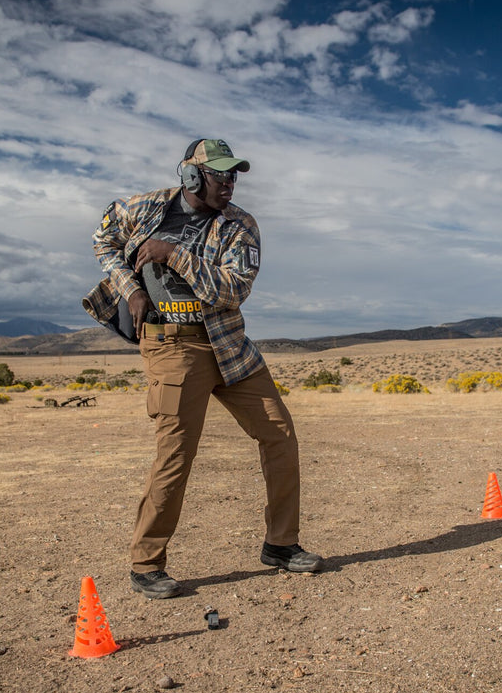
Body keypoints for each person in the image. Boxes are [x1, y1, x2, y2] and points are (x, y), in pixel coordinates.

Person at [82, 138, 323, 599]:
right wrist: (130, 288)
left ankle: (281, 544)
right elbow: (104, 241)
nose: (229, 183)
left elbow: (233, 290)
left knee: (279, 433)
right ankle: (146, 564)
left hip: (229, 345)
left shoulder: (241, 226)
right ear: (191, 176)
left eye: (234, 175)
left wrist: (172, 255)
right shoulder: (142, 208)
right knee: (176, 454)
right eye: (220, 175)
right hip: (174, 346)